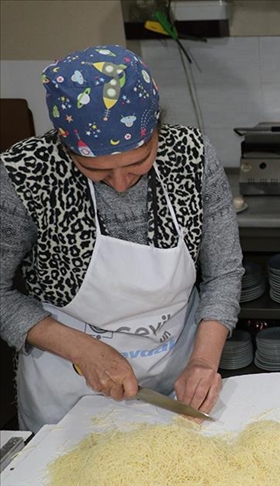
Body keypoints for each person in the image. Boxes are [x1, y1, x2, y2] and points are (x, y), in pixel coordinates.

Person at [0, 45, 243, 432]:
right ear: (66, 148)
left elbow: (224, 273)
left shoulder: (191, 155)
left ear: (156, 130)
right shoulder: (26, 175)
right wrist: (83, 350)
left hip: (173, 374)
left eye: (137, 162)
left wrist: (202, 362)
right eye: (95, 170)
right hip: (69, 383)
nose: (120, 182)